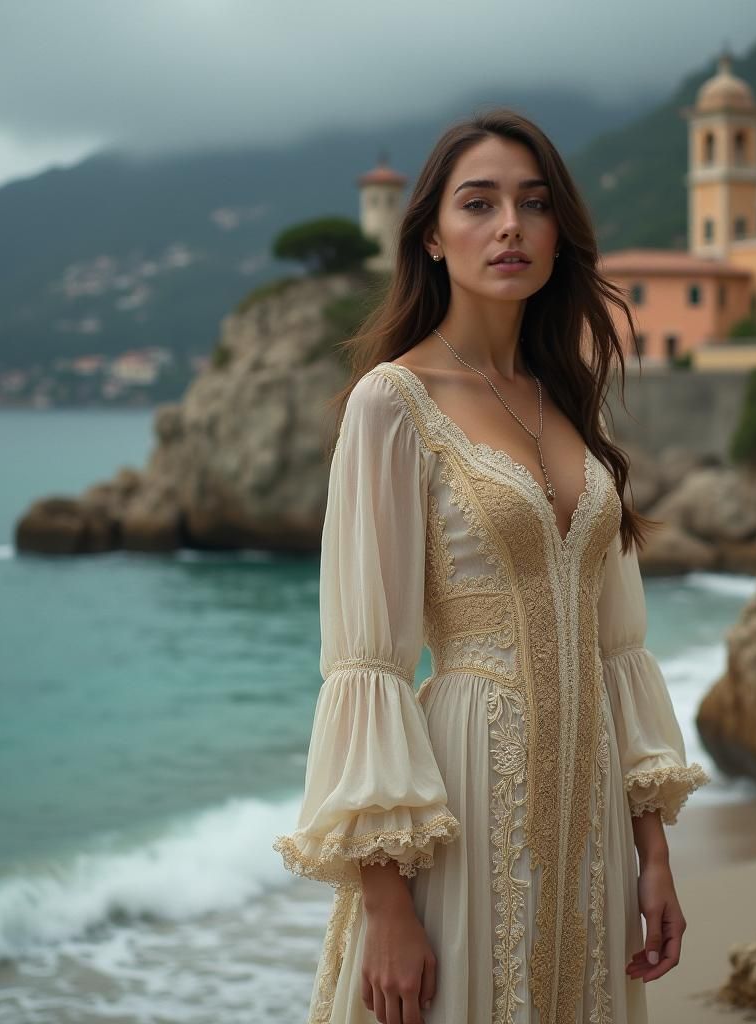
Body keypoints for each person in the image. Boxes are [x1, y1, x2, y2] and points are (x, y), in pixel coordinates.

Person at [272, 107, 710, 1024]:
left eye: (534, 203)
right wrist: (388, 906)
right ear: (432, 235)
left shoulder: (569, 400)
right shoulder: (391, 403)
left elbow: (617, 648)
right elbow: (368, 663)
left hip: (592, 805)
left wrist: (653, 853)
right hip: (467, 793)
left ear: (557, 232)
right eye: (479, 203)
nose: (510, 225)